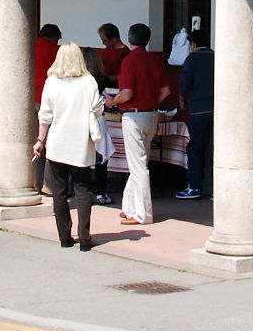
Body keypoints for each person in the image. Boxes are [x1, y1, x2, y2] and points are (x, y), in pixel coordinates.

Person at [34, 43, 104, 251]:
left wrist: (40, 140)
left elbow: (45, 115)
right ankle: (84, 238)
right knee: (83, 191)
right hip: (80, 143)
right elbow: (97, 109)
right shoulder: (89, 81)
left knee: (59, 192)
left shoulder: (52, 82)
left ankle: (64, 237)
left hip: (57, 143)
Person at [112, 22, 169, 225]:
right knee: (139, 162)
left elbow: (126, 94)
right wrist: (150, 102)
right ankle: (129, 207)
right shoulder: (155, 60)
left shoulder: (129, 61)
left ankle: (142, 213)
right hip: (151, 114)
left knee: (137, 166)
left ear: (129, 39)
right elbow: (165, 91)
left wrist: (113, 101)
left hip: (133, 116)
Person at [175, 27, 214, 200]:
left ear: (193, 44)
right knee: (214, 148)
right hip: (218, 108)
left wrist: (182, 98)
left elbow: (185, 82)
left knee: (195, 147)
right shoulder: (216, 57)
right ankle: (214, 188)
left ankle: (194, 186)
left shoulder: (192, 59)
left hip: (199, 109)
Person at [86, 30, 120, 205]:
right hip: (98, 120)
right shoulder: (100, 78)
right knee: (101, 158)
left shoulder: (78, 79)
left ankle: (80, 191)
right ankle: (100, 193)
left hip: (80, 121)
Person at [33, 24, 62, 104]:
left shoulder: (31, 45)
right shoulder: (55, 50)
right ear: (54, 37)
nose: (57, 43)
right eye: (57, 40)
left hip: (30, 92)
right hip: (46, 92)